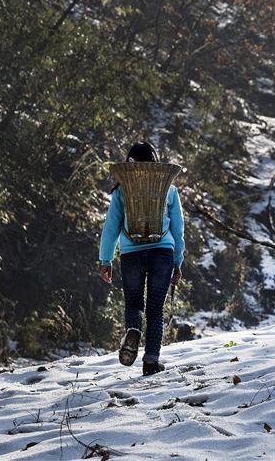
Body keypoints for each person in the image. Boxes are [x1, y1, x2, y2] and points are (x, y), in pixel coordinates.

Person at [98, 141, 185, 376]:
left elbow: (111, 227)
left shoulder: (121, 190)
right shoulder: (169, 189)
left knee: (134, 303)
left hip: (132, 255)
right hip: (162, 254)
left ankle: (134, 329)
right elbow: (178, 230)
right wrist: (178, 262)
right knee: (156, 310)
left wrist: (106, 260)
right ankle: (151, 363)